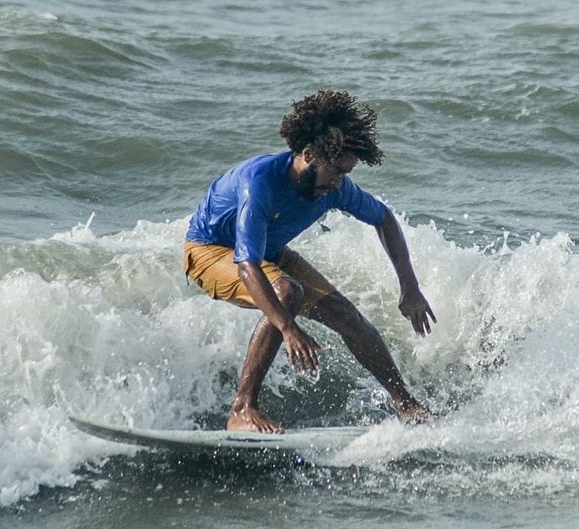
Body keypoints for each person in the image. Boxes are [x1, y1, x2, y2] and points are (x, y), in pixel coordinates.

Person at [183, 89, 437, 433]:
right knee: (288, 291)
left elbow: (384, 219)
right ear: (307, 154)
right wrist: (288, 329)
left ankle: (405, 403)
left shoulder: (334, 187)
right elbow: (247, 266)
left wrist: (410, 287)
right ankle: (242, 408)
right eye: (334, 171)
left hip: (269, 250)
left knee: (346, 315)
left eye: (344, 173)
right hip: (209, 250)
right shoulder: (259, 183)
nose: (337, 183)